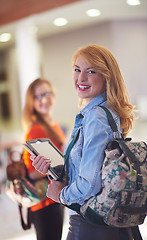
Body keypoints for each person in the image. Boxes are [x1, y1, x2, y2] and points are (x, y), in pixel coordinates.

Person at [31, 45, 134, 240]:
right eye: (77, 70)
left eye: (91, 71)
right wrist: (54, 170)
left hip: (89, 224)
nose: (80, 78)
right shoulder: (107, 112)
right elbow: (94, 169)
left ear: (106, 76)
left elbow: (90, 183)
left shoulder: (95, 116)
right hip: (109, 223)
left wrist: (61, 195)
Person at [22, 78, 66, 240]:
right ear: (31, 102)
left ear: (53, 96)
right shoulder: (36, 129)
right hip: (44, 202)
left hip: (55, 196)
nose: (43, 100)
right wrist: (59, 163)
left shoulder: (53, 124)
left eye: (46, 94)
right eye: (37, 96)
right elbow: (31, 172)